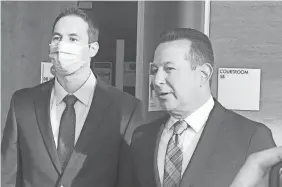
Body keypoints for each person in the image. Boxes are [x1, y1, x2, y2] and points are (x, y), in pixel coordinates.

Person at [1, 7, 144, 187]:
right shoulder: (22, 103)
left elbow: (129, 180)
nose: (62, 46)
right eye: (57, 38)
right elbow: (8, 176)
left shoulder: (126, 109)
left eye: (73, 39)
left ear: (92, 49)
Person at [118, 28, 276, 187]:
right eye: (154, 70)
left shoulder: (251, 136)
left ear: (203, 74)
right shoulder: (143, 137)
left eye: (169, 69)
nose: (157, 80)